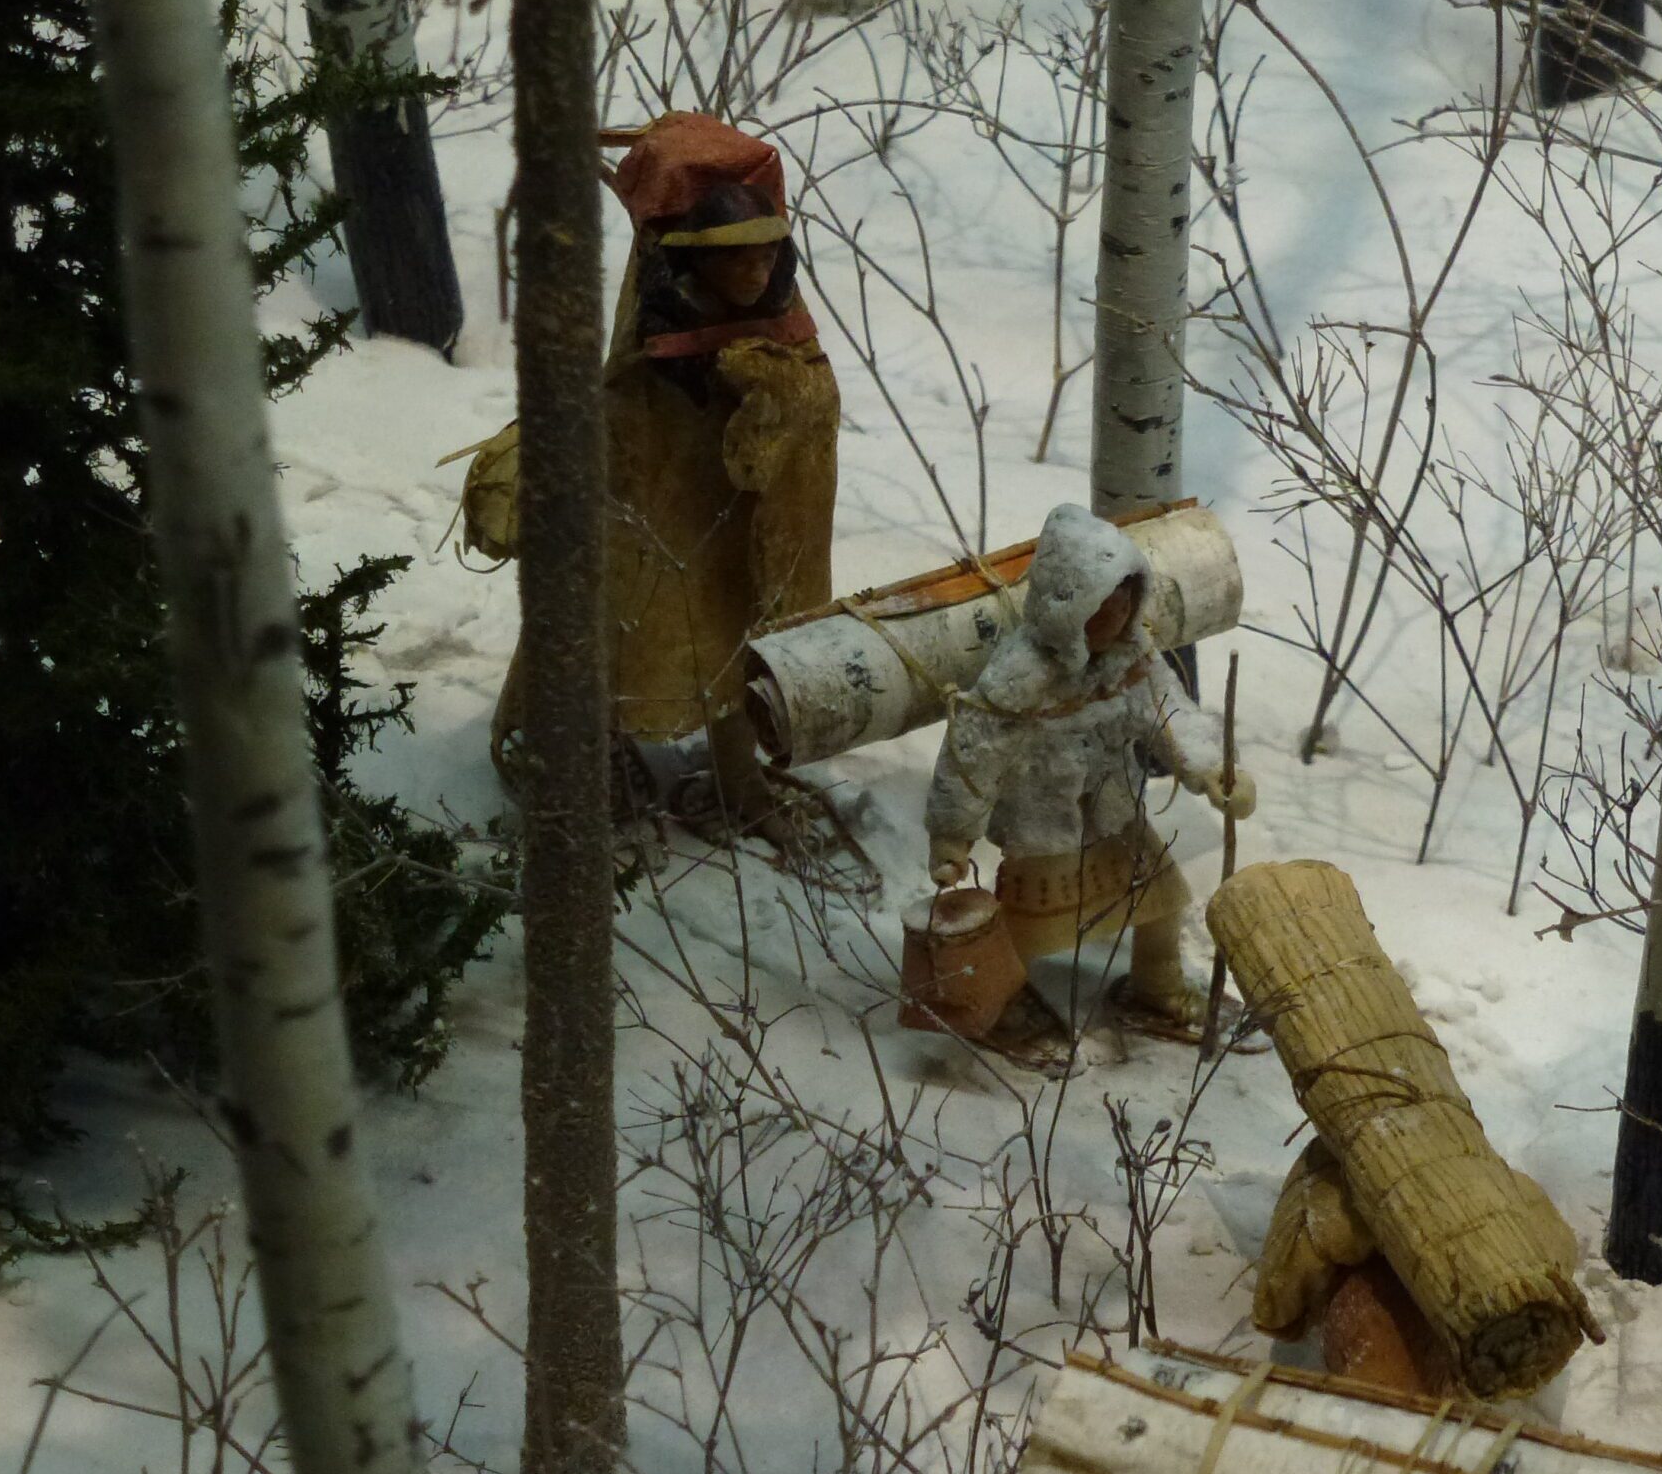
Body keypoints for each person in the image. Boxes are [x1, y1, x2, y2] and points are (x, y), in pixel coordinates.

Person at [465, 113, 840, 842]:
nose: (754, 272)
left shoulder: (783, 324)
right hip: (650, 504)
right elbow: (621, 406)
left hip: (738, 513)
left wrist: (770, 391)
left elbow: (814, 402)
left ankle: (738, 776)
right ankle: (571, 747)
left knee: (736, 629)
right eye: (732, 259)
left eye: (765, 254)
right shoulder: (652, 330)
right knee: (621, 622)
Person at [922, 502, 1253, 1049]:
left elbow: (1169, 711)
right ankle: (999, 1001)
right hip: (1044, 826)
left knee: (1162, 899)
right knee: (1032, 927)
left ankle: (1157, 985)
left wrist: (1214, 767)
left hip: (1116, 812)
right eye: (1100, 607)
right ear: (1066, 606)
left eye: (1125, 603)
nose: (1116, 618)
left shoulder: (1133, 656)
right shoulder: (1021, 673)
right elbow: (973, 753)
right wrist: (952, 834)